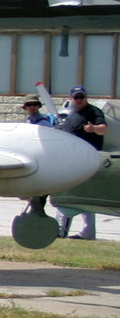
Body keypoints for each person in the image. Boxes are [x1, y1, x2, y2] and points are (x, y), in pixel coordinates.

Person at [52, 87, 106, 239]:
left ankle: (61, 230)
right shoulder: (71, 114)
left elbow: (103, 129)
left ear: (86, 97)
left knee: (69, 195)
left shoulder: (93, 112)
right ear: (71, 98)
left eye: (81, 96)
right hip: (71, 161)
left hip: (85, 162)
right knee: (81, 197)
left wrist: (93, 128)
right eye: (76, 97)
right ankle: (88, 232)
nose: (79, 99)